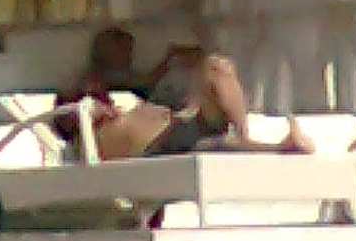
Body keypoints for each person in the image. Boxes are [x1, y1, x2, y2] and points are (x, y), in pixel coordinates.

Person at [53, 27, 313, 159]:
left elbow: (145, 81)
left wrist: (172, 60)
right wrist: (96, 111)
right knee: (208, 144)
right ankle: (278, 148)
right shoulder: (83, 94)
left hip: (173, 128)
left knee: (218, 67)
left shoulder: (131, 88)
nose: (127, 56)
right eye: (120, 49)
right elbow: (65, 120)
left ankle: (244, 135)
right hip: (150, 147)